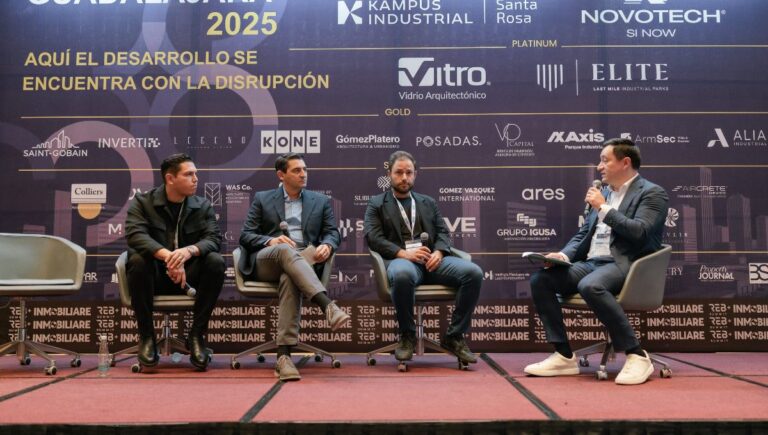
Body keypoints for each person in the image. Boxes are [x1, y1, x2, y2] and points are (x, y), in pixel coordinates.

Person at [524, 138, 668, 385]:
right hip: (591, 263)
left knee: (591, 285)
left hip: (626, 264)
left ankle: (636, 354)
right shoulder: (602, 195)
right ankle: (563, 355)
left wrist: (604, 209)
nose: (599, 167)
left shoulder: (652, 193)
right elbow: (583, 235)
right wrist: (563, 256)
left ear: (625, 162)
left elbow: (639, 232)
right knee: (541, 279)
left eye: (605, 160)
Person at [364, 150, 483, 364]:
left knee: (473, 273)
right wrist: (404, 253)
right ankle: (407, 335)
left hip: (432, 262)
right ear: (389, 174)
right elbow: (373, 238)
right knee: (401, 274)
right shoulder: (376, 203)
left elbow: (443, 233)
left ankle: (454, 336)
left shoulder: (428, 202)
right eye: (399, 172)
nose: (404, 178)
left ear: (415, 174)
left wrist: (439, 252)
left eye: (409, 172)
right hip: (402, 261)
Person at [238, 153, 349, 381]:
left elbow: (333, 233)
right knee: (285, 249)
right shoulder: (262, 198)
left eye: (305, 169)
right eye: (297, 170)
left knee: (290, 278)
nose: (303, 174)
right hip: (268, 259)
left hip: (303, 261)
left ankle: (284, 357)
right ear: (281, 175)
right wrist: (271, 240)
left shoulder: (319, 201)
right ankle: (327, 305)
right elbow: (246, 236)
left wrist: (328, 244)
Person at [125, 153, 224, 370]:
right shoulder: (143, 202)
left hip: (190, 279)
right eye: (189, 174)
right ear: (170, 179)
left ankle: (197, 336)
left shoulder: (203, 205)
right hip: (156, 276)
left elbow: (214, 239)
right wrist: (168, 257)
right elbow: (135, 234)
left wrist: (188, 252)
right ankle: (147, 338)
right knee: (138, 260)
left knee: (215, 262)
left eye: (196, 174)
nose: (196, 178)